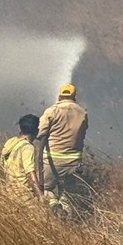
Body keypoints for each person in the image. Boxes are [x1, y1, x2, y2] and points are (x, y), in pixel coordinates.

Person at [34, 83, 89, 216]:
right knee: (68, 193)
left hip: (52, 160)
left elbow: (40, 133)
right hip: (74, 162)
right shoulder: (82, 113)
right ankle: (66, 217)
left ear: (59, 96)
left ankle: (54, 208)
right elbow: (83, 133)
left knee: (47, 188)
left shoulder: (51, 111)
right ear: (74, 96)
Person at [0, 114, 40, 200]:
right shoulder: (27, 147)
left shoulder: (11, 142)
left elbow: (2, 163)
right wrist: (40, 195)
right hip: (24, 194)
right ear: (37, 131)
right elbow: (30, 173)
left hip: (9, 191)